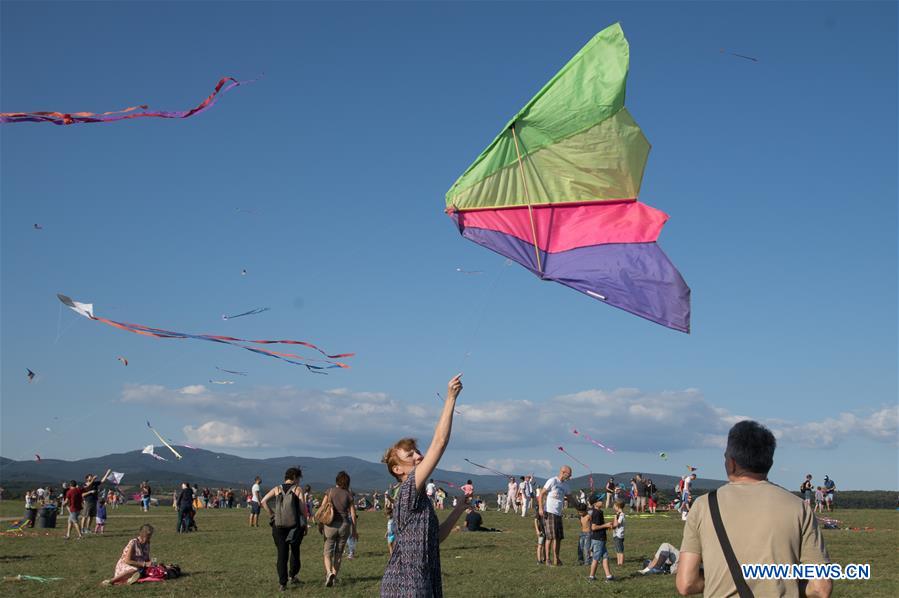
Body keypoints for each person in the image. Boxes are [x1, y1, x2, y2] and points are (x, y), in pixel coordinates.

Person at [676, 420, 832, 598]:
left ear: (731, 463)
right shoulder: (798, 507)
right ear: (769, 461)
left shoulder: (703, 506)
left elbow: (686, 583)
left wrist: (716, 580)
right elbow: (820, 588)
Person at [380, 374, 468, 597]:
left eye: (417, 451)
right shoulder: (408, 488)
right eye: (410, 455)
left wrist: (458, 509)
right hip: (405, 586)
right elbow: (439, 443)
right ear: (397, 470)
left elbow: (435, 538)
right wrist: (450, 399)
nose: (419, 457)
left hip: (421, 581)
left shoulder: (418, 497)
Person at [261, 467, 309, 592]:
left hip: (278, 526)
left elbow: (263, 501)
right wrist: (305, 524)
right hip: (295, 526)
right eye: (299, 478)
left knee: (282, 555)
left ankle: (282, 583)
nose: (299, 481)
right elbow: (303, 509)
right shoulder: (298, 489)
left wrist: (272, 515)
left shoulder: (277, 488)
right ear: (295, 477)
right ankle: (292, 575)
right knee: (295, 551)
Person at [320, 470, 357, 587]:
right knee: (339, 554)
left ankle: (329, 573)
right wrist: (354, 530)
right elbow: (352, 513)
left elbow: (322, 507)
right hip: (344, 525)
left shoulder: (329, 491)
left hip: (330, 525)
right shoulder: (348, 494)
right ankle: (334, 577)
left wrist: (320, 522)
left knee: (327, 552)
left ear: (336, 480)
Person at [538, 465, 572, 566]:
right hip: (549, 511)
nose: (570, 477)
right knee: (550, 537)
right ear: (563, 472)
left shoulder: (565, 485)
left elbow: (571, 497)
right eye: (569, 475)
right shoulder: (552, 481)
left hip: (558, 513)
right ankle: (548, 559)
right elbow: (541, 494)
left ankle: (556, 559)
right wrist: (540, 508)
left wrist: (580, 506)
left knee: (558, 538)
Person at [587, 494, 614, 582]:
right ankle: (591, 577)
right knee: (596, 558)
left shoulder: (600, 512)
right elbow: (594, 527)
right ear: (595, 504)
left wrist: (607, 526)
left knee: (605, 557)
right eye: (600, 500)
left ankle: (609, 576)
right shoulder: (596, 513)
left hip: (601, 538)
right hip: (598, 539)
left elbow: (599, 525)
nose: (602, 501)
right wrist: (605, 525)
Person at [610, 500, 626, 566]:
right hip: (615, 534)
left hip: (619, 535)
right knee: (617, 550)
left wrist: (614, 518)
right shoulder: (618, 514)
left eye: (614, 506)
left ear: (618, 506)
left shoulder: (621, 515)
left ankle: (621, 563)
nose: (613, 507)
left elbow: (617, 524)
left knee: (620, 550)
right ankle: (618, 562)